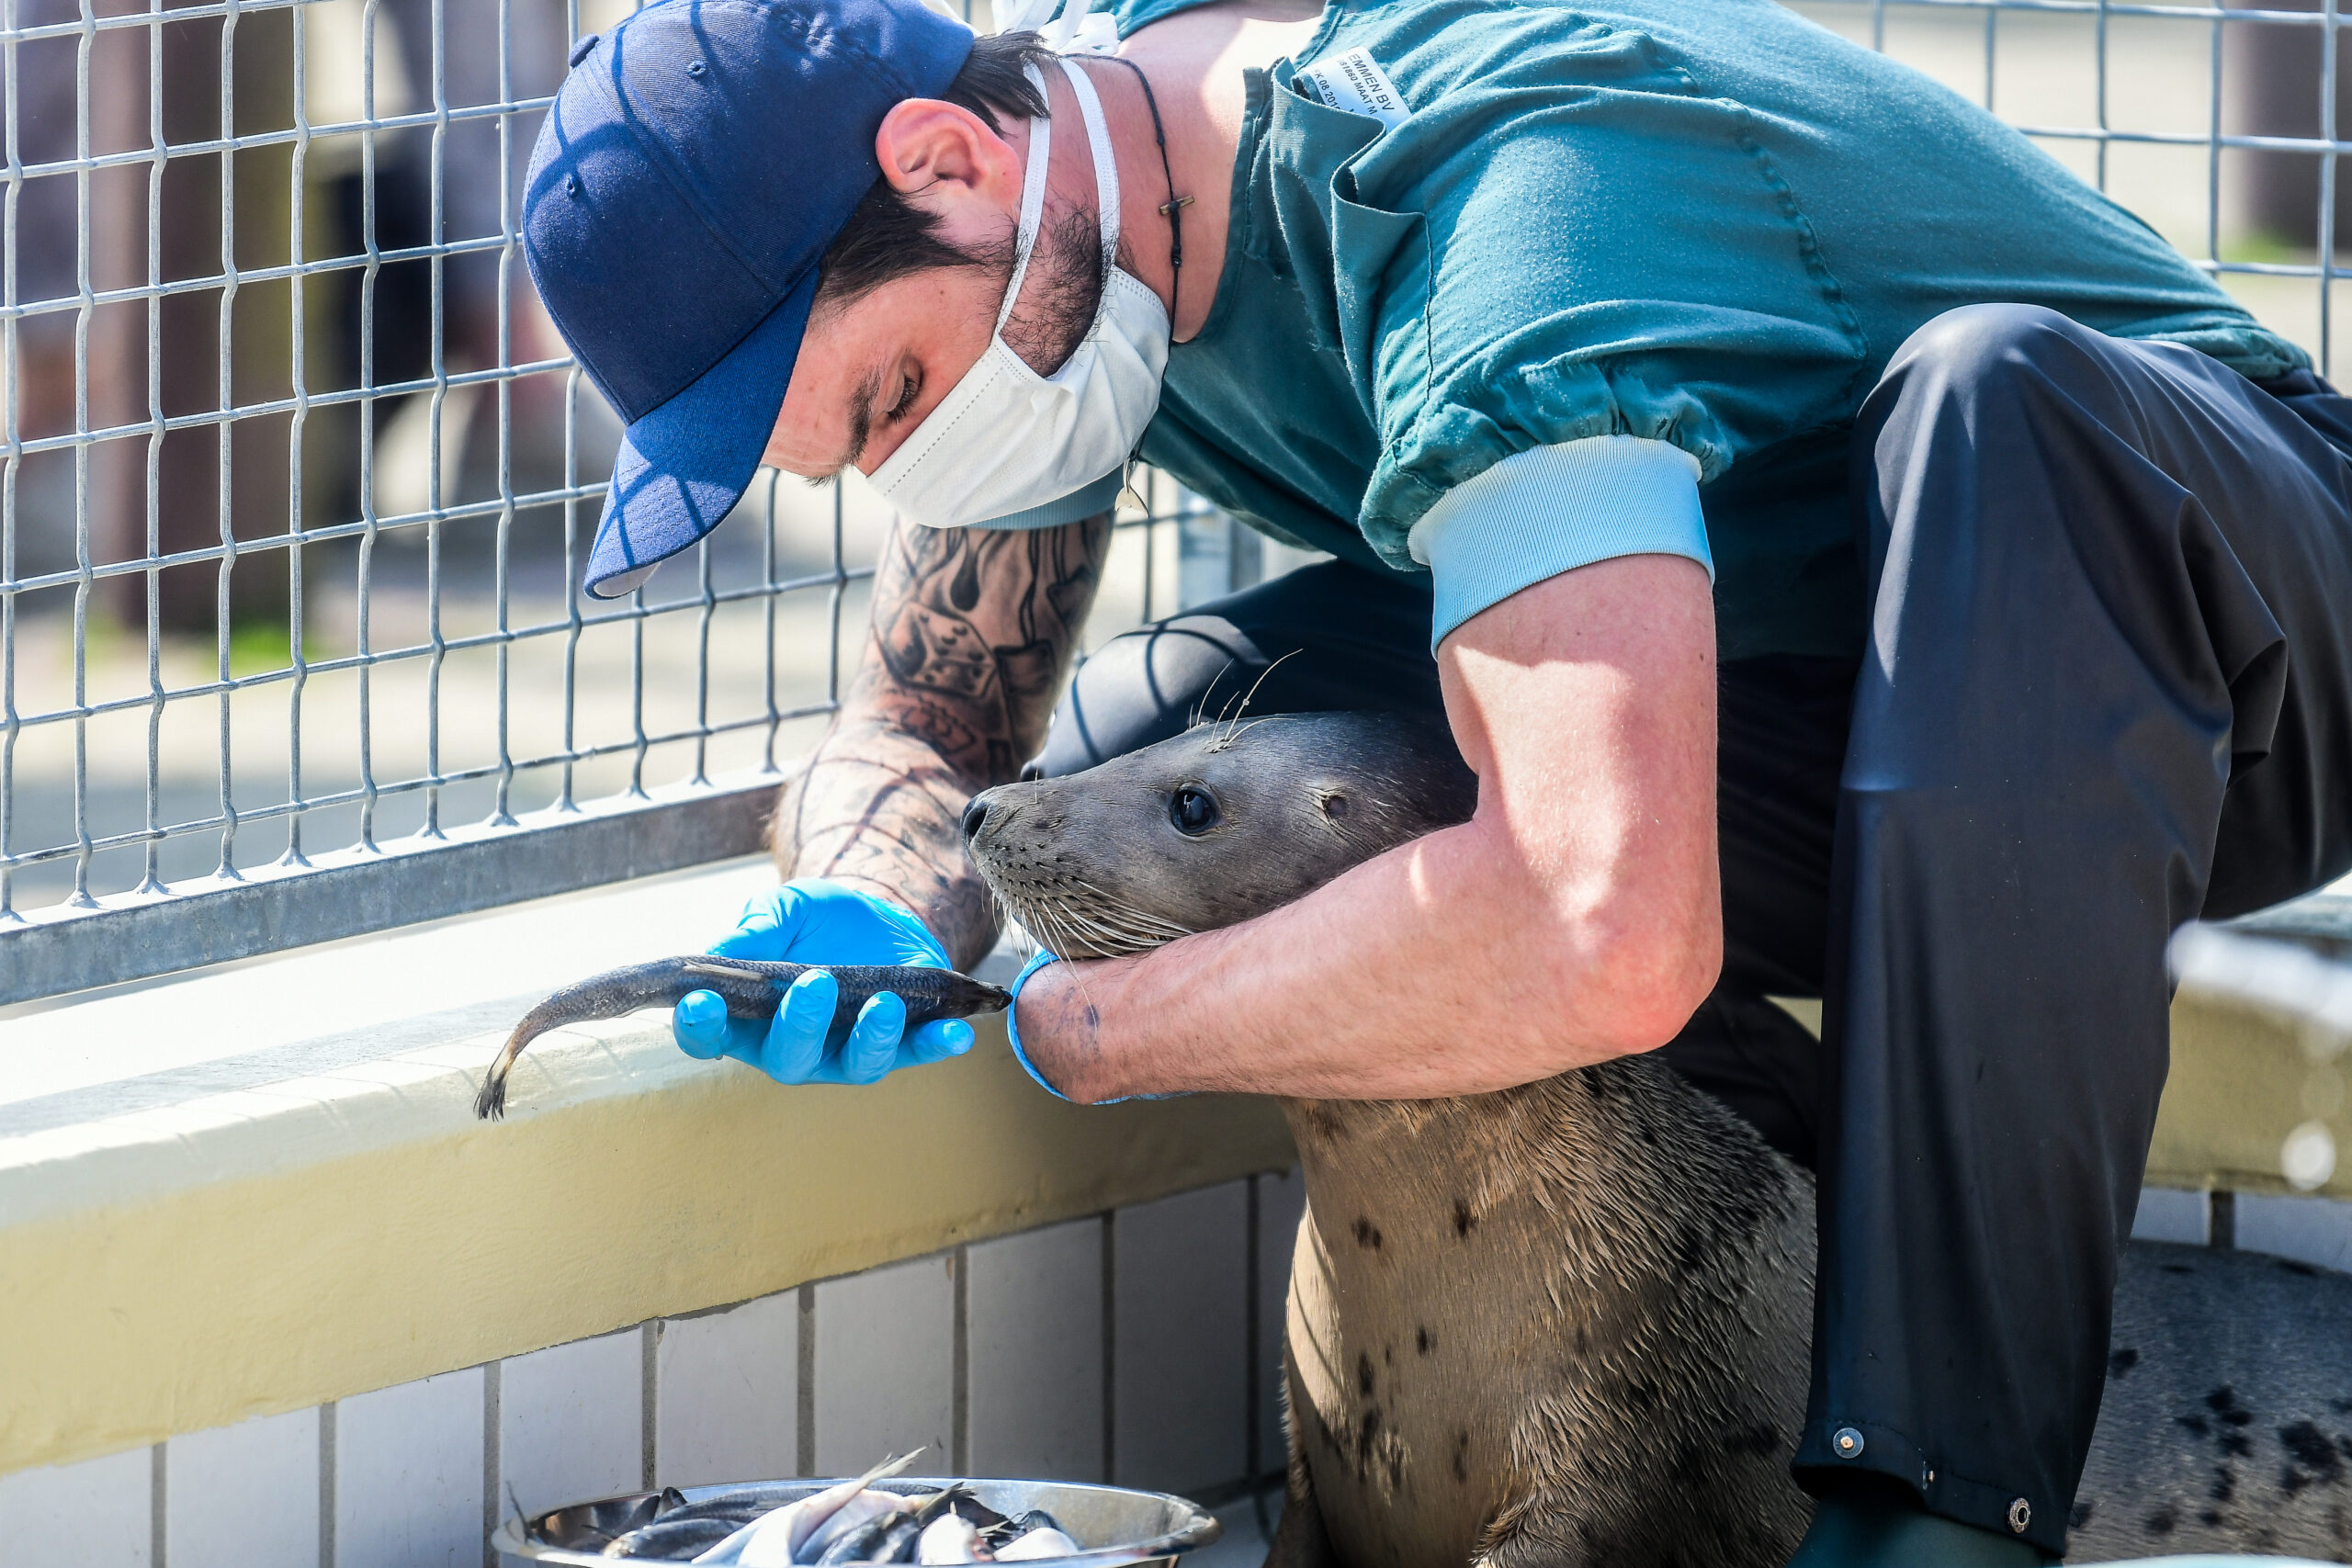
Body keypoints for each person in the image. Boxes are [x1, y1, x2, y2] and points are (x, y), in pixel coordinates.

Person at [515, 0, 2352, 1560]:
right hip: (1831, 678)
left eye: (889, 398)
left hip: (2205, 628)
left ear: (944, 162)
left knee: (1993, 401)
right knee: (1205, 714)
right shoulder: (1074, 219)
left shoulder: (1486, 240)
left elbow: (1592, 923)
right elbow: (935, 733)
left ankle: (1934, 1498)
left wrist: (1093, 1027)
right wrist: (879, 896)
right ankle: (1754, 1262)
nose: (894, 469)